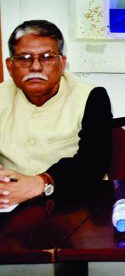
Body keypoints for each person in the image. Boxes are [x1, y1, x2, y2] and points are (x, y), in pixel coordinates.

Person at [0, 20, 112, 208]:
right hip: (9, 201)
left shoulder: (91, 97)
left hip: (75, 200)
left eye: (46, 57)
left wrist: (43, 181)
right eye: (24, 58)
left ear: (62, 64)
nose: (35, 67)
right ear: (10, 66)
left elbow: (94, 161)